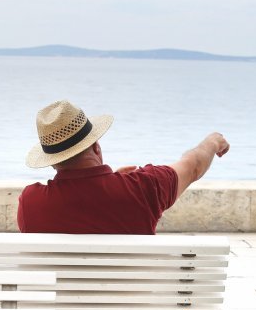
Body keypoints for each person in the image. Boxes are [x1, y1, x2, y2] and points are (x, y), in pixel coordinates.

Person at [17, 99, 229, 234]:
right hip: (133, 304)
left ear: (53, 161)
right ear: (96, 147)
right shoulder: (145, 187)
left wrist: (113, 184)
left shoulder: (30, 202)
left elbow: (81, 209)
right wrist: (212, 142)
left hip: (64, 304)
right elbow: (193, 167)